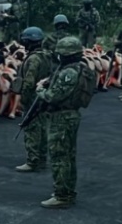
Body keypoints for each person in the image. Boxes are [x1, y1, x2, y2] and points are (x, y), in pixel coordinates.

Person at [35, 37, 88, 209]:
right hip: (70, 115)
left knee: (59, 157)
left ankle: (62, 194)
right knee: (68, 156)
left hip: (62, 117)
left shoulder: (68, 73)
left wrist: (40, 89)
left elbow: (53, 96)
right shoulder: (78, 68)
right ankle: (66, 190)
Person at [14, 27, 54, 173]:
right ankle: (42, 159)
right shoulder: (46, 56)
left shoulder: (33, 59)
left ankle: (32, 160)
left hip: (32, 98)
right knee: (43, 129)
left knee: (31, 128)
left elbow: (29, 82)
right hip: (43, 96)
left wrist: (22, 99)